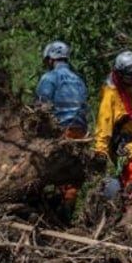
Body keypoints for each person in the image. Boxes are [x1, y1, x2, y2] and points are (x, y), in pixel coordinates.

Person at [35, 40, 88, 220]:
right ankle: (67, 208)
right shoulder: (79, 80)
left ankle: (49, 210)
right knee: (71, 174)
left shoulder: (49, 78)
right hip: (80, 132)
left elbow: (41, 108)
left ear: (50, 59)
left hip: (61, 131)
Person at [93, 50, 132, 198]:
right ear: (120, 73)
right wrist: (101, 151)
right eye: (130, 76)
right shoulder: (110, 93)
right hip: (127, 147)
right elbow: (103, 124)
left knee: (130, 185)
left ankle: (128, 212)